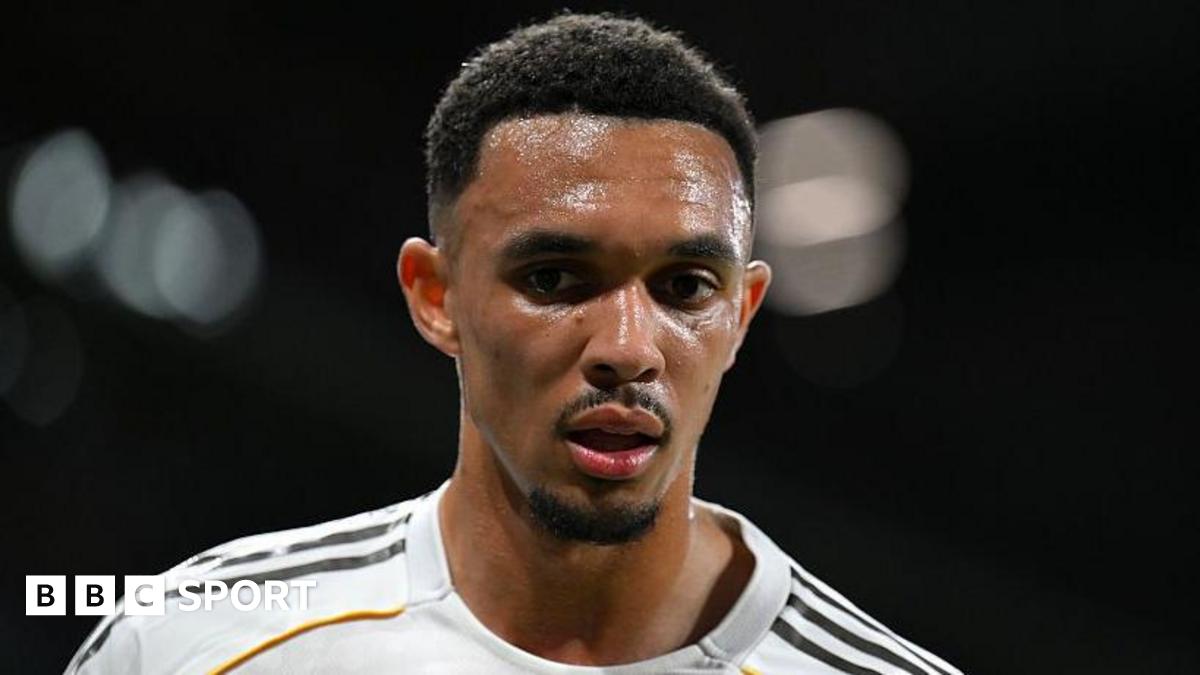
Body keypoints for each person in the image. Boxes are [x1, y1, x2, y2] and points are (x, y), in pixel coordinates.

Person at [67, 13, 961, 674]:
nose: (627, 347)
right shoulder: (187, 643)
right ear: (436, 296)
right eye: (556, 277)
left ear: (742, 314)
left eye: (686, 287)